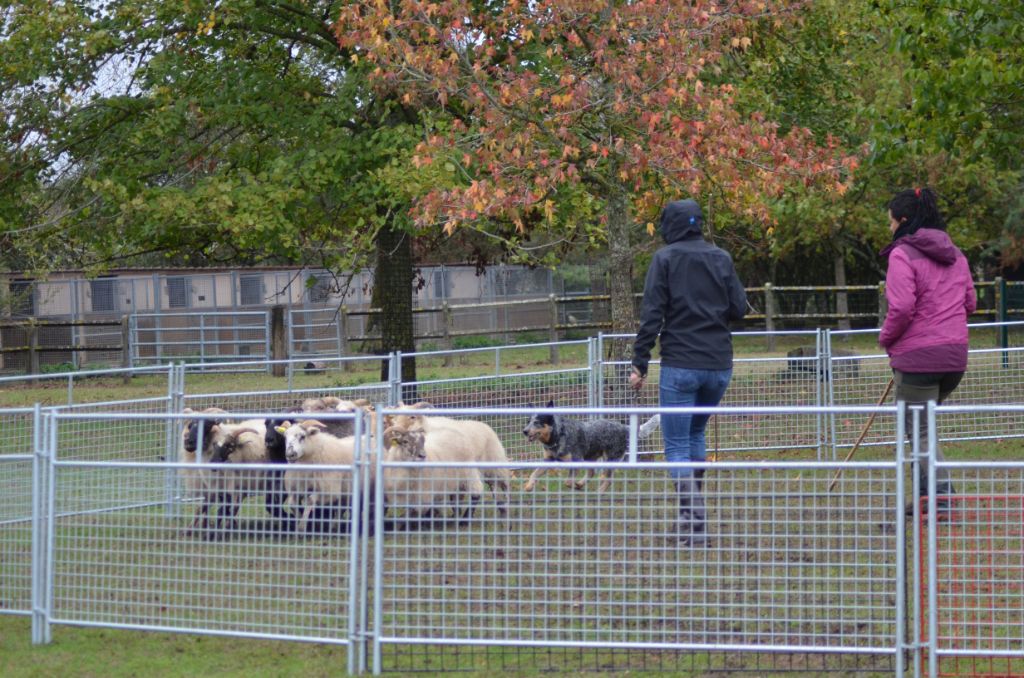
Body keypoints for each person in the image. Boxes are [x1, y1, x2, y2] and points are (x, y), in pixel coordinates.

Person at [629, 199, 747, 546]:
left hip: (681, 364)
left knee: (677, 445)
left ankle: (695, 524)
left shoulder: (664, 260)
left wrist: (640, 362)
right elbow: (739, 308)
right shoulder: (721, 257)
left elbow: (652, 314)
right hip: (719, 366)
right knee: (695, 435)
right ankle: (689, 518)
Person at [878, 187, 976, 520]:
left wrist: (886, 339)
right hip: (954, 358)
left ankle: (942, 500)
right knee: (924, 428)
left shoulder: (902, 255)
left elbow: (902, 306)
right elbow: (971, 303)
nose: (889, 229)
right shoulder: (957, 254)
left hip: (919, 359)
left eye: (890, 222)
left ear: (902, 220)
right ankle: (926, 499)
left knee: (918, 431)